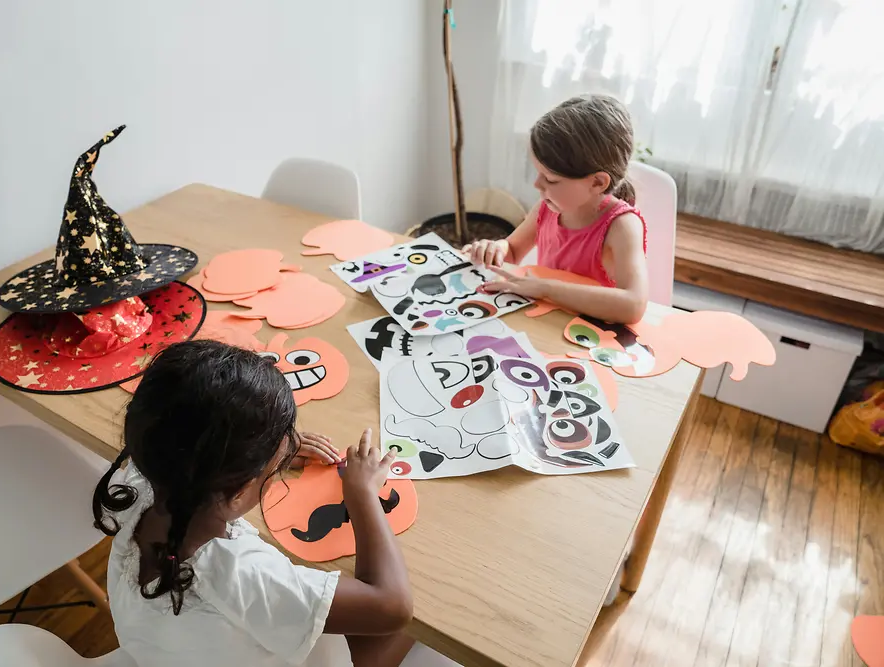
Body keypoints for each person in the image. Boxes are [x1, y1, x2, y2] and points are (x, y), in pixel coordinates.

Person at [92, 340, 416, 667]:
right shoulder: (239, 573)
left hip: (168, 653)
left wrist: (266, 448)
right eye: (272, 467)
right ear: (241, 489)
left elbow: (187, 433)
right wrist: (361, 493)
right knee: (422, 619)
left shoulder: (138, 485)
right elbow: (391, 607)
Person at [464, 94, 649, 324]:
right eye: (538, 173)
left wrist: (544, 289)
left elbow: (634, 305)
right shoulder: (548, 208)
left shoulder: (621, 225)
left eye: (550, 179)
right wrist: (494, 249)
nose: (537, 184)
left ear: (597, 182)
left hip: (591, 337)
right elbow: (512, 250)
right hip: (545, 322)